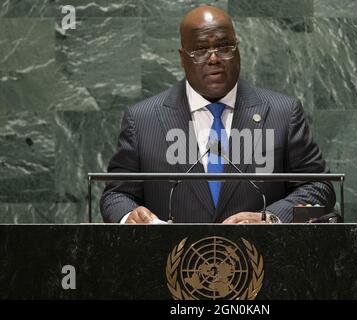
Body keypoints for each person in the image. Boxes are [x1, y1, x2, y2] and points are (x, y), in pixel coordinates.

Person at [100, 5, 335, 224]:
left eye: (224, 47)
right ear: (182, 57)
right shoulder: (142, 119)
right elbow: (116, 195)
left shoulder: (283, 113)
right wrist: (129, 215)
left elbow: (318, 187)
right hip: (172, 262)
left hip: (263, 261)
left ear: (238, 49)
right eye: (201, 49)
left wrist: (271, 218)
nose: (214, 58)